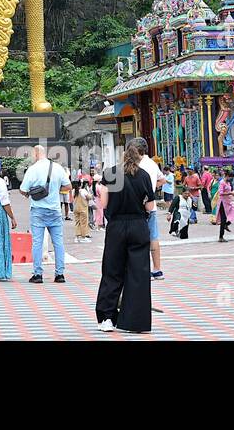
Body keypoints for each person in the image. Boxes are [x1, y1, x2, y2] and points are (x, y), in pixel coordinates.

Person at [95, 139, 156, 333]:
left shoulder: (110, 174)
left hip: (116, 226)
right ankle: (135, 320)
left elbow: (103, 204)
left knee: (112, 271)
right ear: (139, 155)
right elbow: (150, 206)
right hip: (138, 225)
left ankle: (107, 318)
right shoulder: (144, 175)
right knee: (138, 273)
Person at [20, 145, 69, 284]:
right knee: (58, 242)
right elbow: (68, 186)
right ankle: (60, 274)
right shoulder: (58, 168)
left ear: (35, 154)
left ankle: (38, 274)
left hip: (38, 210)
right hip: (55, 210)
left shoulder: (32, 169)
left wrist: (31, 193)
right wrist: (54, 191)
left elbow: (23, 190)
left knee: (37, 242)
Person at [132, 139, 165, 280]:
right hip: (152, 206)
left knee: (140, 239)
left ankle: (143, 270)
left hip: (138, 206)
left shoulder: (136, 164)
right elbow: (162, 180)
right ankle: (157, 269)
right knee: (154, 237)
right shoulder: (152, 163)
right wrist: (152, 188)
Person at [213, 170, 234, 242]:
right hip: (223, 203)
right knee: (223, 219)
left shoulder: (228, 183)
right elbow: (221, 193)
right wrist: (231, 193)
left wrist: (231, 194)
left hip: (229, 202)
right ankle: (221, 237)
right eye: (230, 177)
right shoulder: (222, 183)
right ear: (227, 176)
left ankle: (226, 224)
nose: (231, 179)